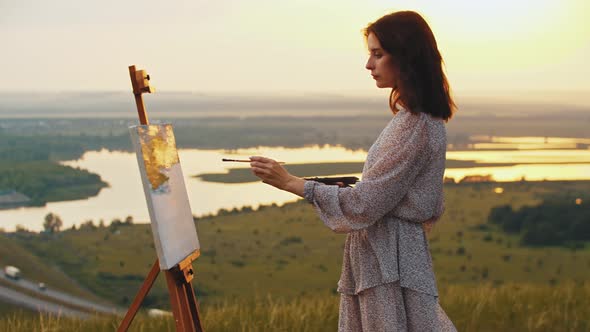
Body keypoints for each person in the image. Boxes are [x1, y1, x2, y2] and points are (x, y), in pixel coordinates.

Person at [249, 10, 457, 332]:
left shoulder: (415, 126)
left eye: (378, 54)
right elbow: (388, 196)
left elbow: (365, 205)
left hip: (390, 259)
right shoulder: (415, 120)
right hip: (388, 252)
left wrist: (291, 183)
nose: (369, 64)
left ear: (405, 57)